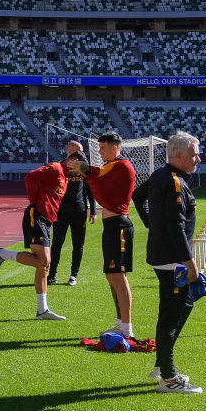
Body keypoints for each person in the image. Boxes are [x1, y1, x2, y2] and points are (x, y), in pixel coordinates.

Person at [132, 131, 204, 394]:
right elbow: (175, 227)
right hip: (173, 260)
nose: (198, 158)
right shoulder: (173, 181)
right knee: (170, 317)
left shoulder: (162, 176)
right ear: (178, 156)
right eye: (194, 154)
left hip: (166, 257)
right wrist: (190, 262)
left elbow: (137, 197)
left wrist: (152, 224)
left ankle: (162, 364)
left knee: (184, 305)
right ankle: (168, 377)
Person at [67, 132, 137, 338]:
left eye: (103, 148)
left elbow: (96, 175)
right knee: (111, 275)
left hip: (119, 226)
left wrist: (83, 169)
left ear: (115, 148)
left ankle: (127, 329)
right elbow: (97, 178)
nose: (99, 151)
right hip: (111, 226)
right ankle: (120, 324)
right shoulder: (111, 165)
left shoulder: (121, 165)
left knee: (119, 277)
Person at [0, 160, 67, 320]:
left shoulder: (65, 176)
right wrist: (34, 202)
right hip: (37, 216)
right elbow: (30, 177)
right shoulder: (55, 168)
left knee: (44, 267)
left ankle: (42, 310)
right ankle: (2, 254)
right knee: (43, 261)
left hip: (47, 220)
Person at [48, 141, 96, 287]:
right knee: (56, 243)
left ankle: (73, 275)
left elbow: (90, 190)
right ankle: (52, 274)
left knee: (78, 244)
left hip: (79, 211)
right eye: (79, 151)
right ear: (70, 151)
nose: (82, 154)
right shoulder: (60, 166)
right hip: (61, 212)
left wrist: (93, 211)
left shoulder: (83, 168)